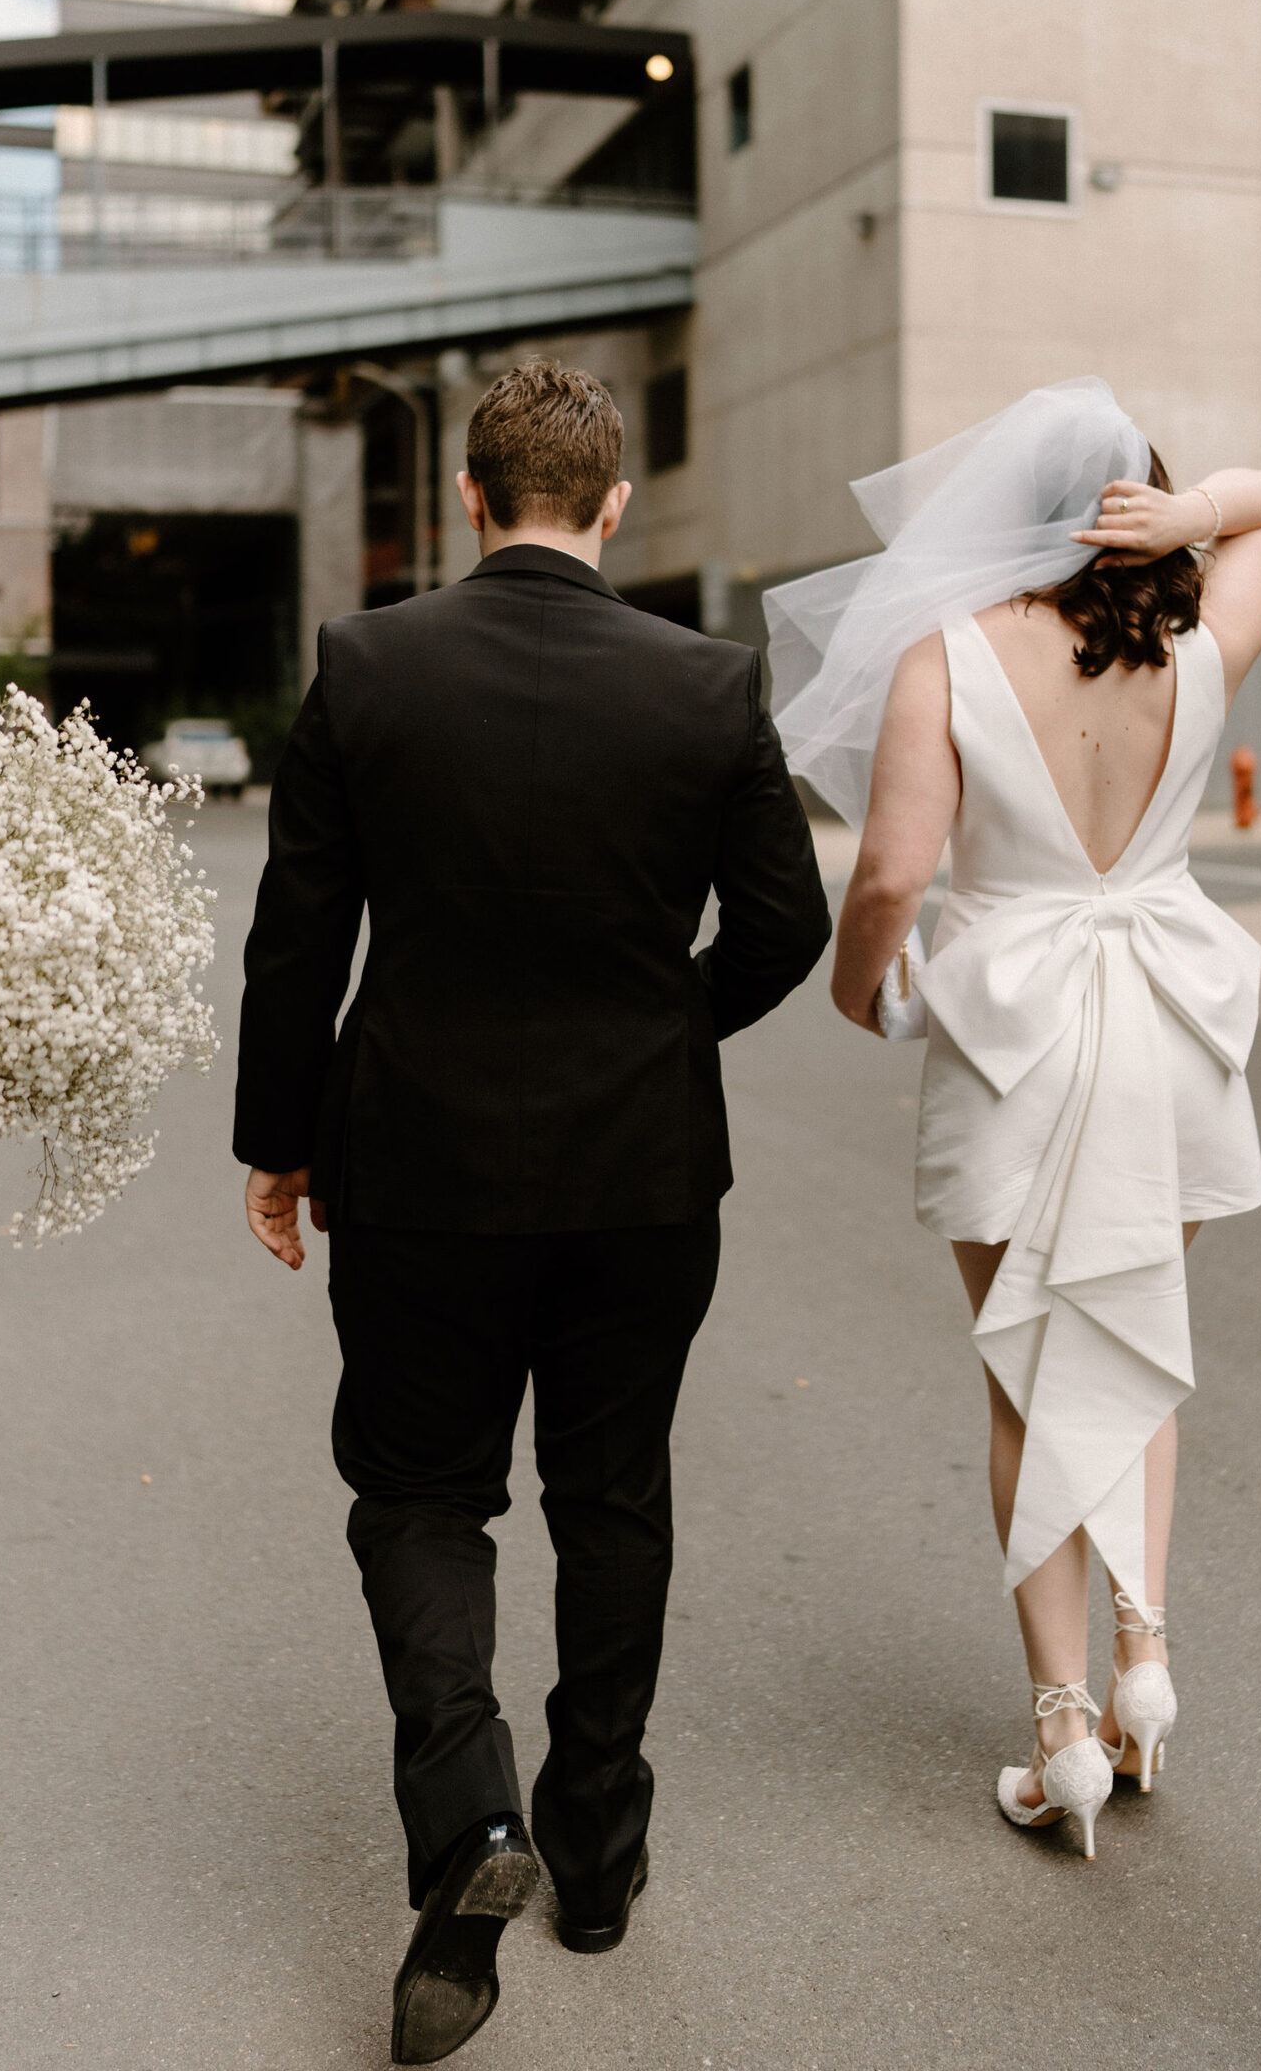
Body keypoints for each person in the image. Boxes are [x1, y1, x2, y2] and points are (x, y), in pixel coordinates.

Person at [234, 361, 830, 2064]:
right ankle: (593, 1861)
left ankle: (470, 1820)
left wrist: (280, 1143)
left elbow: (301, 937)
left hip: (414, 1168)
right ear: (614, 504)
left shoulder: (369, 665)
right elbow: (780, 930)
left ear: (473, 503)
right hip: (642, 1175)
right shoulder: (711, 686)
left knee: (420, 1494)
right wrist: (658, 1034)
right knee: (612, 1492)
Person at [765, 380, 1261, 1859]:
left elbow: (885, 879)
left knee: (1027, 1376)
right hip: (1170, 1028)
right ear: (1138, 503)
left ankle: (1063, 1728)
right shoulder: (1198, 645)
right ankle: (1147, 1654)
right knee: (1136, 1329)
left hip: (1017, 1039)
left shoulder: (951, 653)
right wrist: (1199, 514)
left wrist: (859, 993)